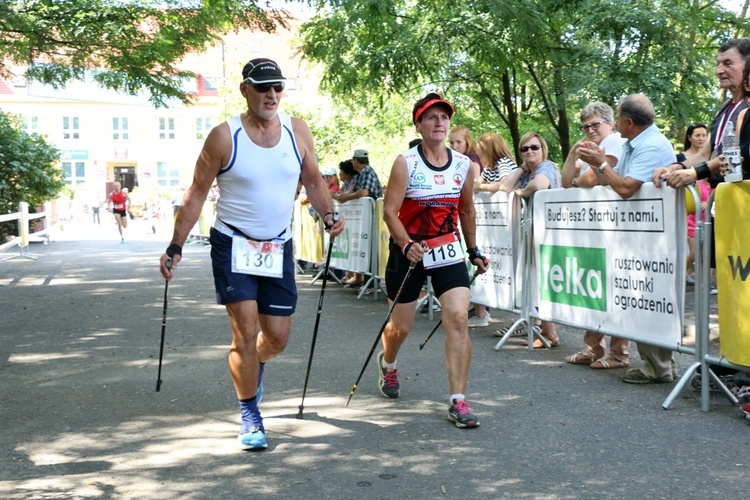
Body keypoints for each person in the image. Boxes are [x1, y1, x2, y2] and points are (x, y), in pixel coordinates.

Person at [158, 57, 344, 450]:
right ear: (245, 90)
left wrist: (328, 215)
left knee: (276, 337)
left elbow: (313, 179)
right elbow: (195, 194)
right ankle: (249, 414)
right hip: (233, 243)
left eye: (277, 87)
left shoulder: (297, 131)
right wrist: (176, 244)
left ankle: (254, 368)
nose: (271, 95)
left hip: (277, 244)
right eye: (263, 88)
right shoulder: (224, 136)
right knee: (245, 331)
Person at [379, 93, 489, 428]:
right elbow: (389, 211)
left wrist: (473, 250)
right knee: (402, 327)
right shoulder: (405, 162)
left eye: (444, 117)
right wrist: (406, 242)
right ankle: (389, 363)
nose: (439, 123)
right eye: (431, 118)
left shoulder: (462, 165)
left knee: (457, 318)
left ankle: (458, 400)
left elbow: (466, 209)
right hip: (409, 252)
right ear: (419, 124)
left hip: (447, 251)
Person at [574, 94, 678, 384]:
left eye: (617, 117)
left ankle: (659, 367)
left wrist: (599, 164)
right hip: (639, 234)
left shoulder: (651, 144)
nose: (615, 122)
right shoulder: (636, 143)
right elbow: (615, 179)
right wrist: (599, 166)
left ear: (628, 122)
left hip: (655, 236)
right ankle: (653, 365)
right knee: (643, 299)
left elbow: (626, 188)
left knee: (653, 297)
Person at [560, 102, 630, 369]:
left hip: (616, 223)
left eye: (595, 124)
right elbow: (566, 181)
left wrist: (579, 181)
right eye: (585, 126)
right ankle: (592, 348)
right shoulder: (589, 149)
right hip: (595, 227)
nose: (590, 130)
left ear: (610, 123)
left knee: (615, 288)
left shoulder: (614, 141)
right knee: (594, 288)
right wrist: (572, 154)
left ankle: (619, 353)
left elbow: (594, 178)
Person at [496, 131, 561, 348]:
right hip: (531, 231)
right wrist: (521, 168)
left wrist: (523, 192)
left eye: (534, 147)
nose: (529, 152)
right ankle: (543, 329)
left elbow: (540, 185)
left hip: (549, 232)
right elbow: (505, 187)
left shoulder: (547, 167)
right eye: (524, 149)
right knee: (535, 279)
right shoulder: (525, 171)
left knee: (544, 279)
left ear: (543, 149)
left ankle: (550, 333)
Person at [447, 126, 490, 328]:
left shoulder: (470, 162)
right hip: (461, 216)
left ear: (467, 142)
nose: (455, 146)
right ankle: (474, 307)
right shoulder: (453, 161)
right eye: (452, 142)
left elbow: (470, 190)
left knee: (474, 260)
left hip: (472, 218)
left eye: (458, 142)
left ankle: (481, 311)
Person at [676, 124, 710, 286]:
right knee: (694, 251)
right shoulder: (681, 159)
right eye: (698, 135)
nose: (701, 139)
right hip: (688, 210)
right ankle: (681, 275)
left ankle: (704, 282)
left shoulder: (710, 157)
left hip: (706, 207)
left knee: (707, 250)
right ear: (689, 137)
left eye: (704, 135)